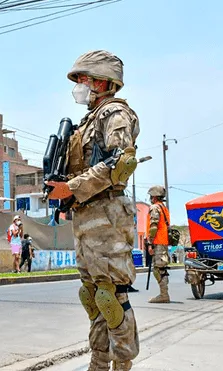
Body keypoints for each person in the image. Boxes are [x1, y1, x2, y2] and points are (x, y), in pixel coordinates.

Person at [46, 50, 140, 370]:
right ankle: (98, 364)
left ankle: (122, 365)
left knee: (112, 296)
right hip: (86, 216)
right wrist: (66, 197)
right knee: (93, 296)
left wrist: (71, 188)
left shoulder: (115, 114)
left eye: (84, 80)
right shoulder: (88, 121)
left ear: (102, 82)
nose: (79, 86)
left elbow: (119, 163)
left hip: (108, 216)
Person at [146, 186, 171, 304]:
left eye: (151, 196)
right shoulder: (163, 208)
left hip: (158, 242)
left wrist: (149, 243)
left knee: (159, 269)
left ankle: (164, 295)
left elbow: (154, 226)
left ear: (154, 196)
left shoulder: (155, 207)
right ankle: (164, 294)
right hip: (163, 242)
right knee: (162, 269)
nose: (150, 198)